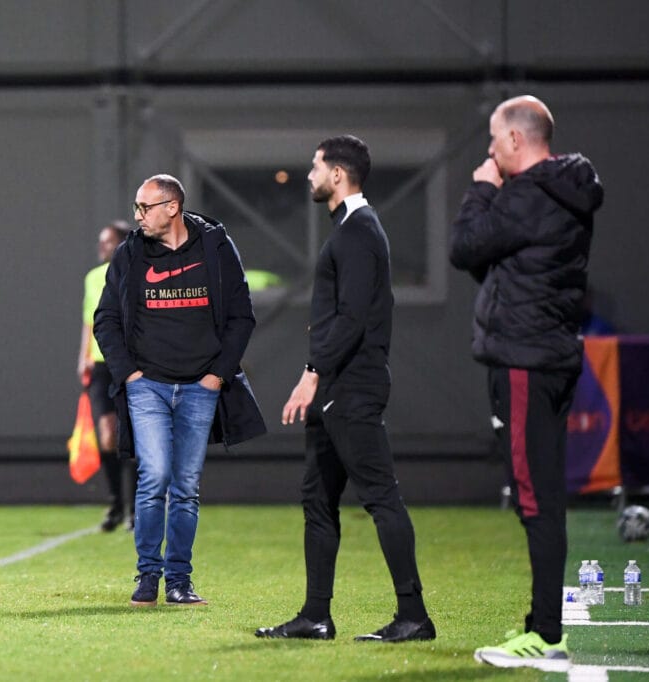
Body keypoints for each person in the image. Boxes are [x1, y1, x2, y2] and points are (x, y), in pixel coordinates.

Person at [255, 136, 435, 643]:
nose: (309, 175)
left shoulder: (359, 230)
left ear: (337, 174)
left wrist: (311, 373)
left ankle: (414, 616)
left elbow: (352, 318)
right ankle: (316, 616)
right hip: (337, 388)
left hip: (350, 388)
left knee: (381, 497)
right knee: (317, 499)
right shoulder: (350, 229)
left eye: (316, 167)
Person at [449, 95, 603, 671]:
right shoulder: (566, 191)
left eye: (494, 140)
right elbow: (492, 261)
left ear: (515, 139)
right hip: (551, 356)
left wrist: (481, 189)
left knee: (536, 500)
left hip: (524, 359)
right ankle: (543, 625)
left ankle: (545, 634)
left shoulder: (527, 192)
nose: (490, 152)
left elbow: (464, 247)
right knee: (544, 496)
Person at [93, 173, 265, 607]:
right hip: (146, 386)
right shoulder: (130, 252)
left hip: (200, 387)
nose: (138, 216)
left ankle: (179, 581)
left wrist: (217, 376)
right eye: (136, 207)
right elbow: (105, 318)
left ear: (172, 207)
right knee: (154, 477)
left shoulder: (216, 248)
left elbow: (241, 316)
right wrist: (129, 374)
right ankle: (148, 575)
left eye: (144, 207)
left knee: (186, 486)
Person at [78, 220, 136, 532]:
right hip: (101, 365)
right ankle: (116, 503)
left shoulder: (135, 273)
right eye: (101, 241)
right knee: (108, 435)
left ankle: (137, 508)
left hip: (129, 363)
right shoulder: (92, 278)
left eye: (108, 241)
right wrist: (83, 356)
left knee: (134, 436)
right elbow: (89, 320)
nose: (102, 246)